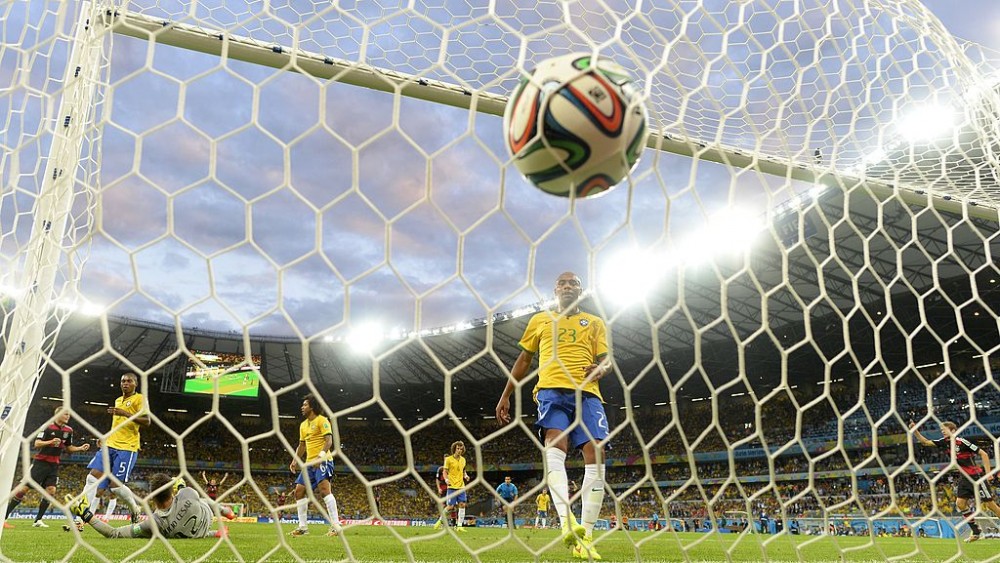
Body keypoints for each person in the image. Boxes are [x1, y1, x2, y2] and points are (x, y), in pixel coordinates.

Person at [496, 271, 611, 559]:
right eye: (564, 283)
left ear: (581, 291)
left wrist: (600, 369)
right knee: (555, 444)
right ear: (555, 289)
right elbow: (524, 359)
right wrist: (506, 395)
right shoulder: (540, 320)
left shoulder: (595, 323)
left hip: (588, 393)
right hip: (551, 391)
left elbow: (606, 360)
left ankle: (587, 536)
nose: (569, 286)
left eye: (575, 283)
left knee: (596, 451)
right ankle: (565, 523)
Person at [76, 373, 150, 528]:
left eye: (129, 381)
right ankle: (81, 517)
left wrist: (125, 413)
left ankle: (134, 509)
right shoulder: (118, 400)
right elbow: (116, 426)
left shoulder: (139, 399)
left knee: (115, 487)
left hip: (127, 447)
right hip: (110, 444)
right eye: (123, 381)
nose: (125, 383)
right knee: (91, 478)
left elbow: (147, 421)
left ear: (135, 384)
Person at [910, 420, 1000, 542]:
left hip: (976, 477)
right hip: (965, 478)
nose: (943, 432)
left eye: (945, 430)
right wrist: (915, 431)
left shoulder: (962, 442)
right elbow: (925, 442)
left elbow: (983, 454)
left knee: (991, 505)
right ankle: (976, 531)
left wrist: (989, 474)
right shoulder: (945, 443)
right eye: (941, 431)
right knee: (960, 504)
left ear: (953, 431)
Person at [66, 473, 234, 538]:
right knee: (204, 502)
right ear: (173, 492)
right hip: (205, 523)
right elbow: (184, 489)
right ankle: (225, 512)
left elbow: (113, 533)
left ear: (152, 497)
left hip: (196, 533)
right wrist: (180, 485)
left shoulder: (154, 523)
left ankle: (216, 530)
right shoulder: (187, 493)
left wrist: (86, 515)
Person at [3, 407, 90, 529]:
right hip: (40, 463)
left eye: (69, 415)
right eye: (65, 414)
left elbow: (69, 448)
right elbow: (37, 444)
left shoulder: (68, 430)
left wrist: (80, 448)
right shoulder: (47, 427)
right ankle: (3, 518)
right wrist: (50, 442)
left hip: (54, 465)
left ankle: (38, 520)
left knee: (51, 491)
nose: (68, 417)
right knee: (23, 489)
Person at [288, 394, 341, 537]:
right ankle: (303, 527)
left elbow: (329, 441)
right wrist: (294, 460)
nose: (302, 407)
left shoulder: (322, 420)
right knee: (298, 491)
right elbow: (301, 445)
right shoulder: (303, 425)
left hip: (323, 460)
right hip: (309, 464)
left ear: (312, 406)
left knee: (324, 490)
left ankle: (336, 526)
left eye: (305, 405)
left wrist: (320, 456)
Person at [441, 441, 471, 532]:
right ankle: (441, 520)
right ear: (454, 449)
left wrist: (465, 475)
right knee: (450, 507)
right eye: (458, 448)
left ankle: (459, 526)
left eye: (461, 449)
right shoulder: (448, 459)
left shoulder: (463, 460)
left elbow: (463, 470)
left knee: (462, 505)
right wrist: (446, 479)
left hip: (461, 486)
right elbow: (444, 471)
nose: (459, 450)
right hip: (451, 486)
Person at [432, 465, 456, 529]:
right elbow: (437, 479)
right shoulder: (440, 469)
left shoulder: (452, 468)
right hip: (443, 490)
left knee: (452, 506)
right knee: (442, 506)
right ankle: (442, 523)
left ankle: (454, 524)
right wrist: (439, 488)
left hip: (451, 489)